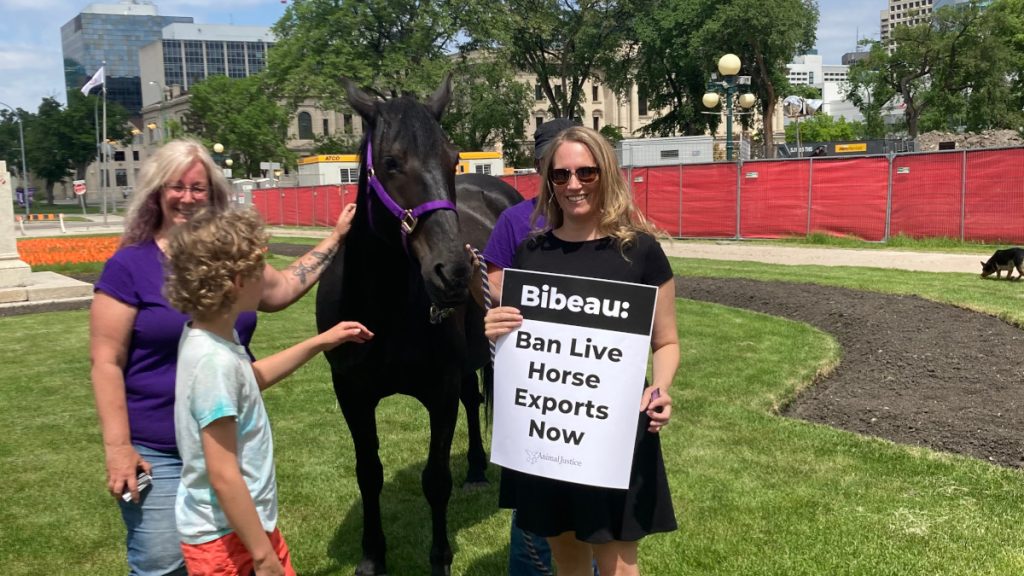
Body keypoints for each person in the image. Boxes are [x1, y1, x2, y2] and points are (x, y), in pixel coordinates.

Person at [89, 138, 356, 575]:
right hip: (158, 446)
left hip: (223, 441)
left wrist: (335, 239)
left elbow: (286, 286)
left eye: (200, 188)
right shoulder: (130, 267)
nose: (189, 198)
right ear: (156, 192)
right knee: (162, 562)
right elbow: (106, 362)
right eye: (178, 186)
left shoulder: (226, 262)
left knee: (215, 550)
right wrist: (118, 447)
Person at [484, 126, 678, 576]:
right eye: (561, 175)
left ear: (605, 174)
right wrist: (493, 326)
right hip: (548, 434)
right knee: (565, 559)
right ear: (548, 182)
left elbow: (666, 342)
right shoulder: (530, 256)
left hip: (616, 433)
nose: (574, 185)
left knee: (618, 567)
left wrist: (661, 388)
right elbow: (518, 342)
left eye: (586, 172)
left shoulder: (640, 253)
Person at [163, 208, 372, 575]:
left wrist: (322, 341)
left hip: (246, 529)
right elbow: (223, 472)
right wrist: (262, 556)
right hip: (228, 542)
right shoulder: (213, 362)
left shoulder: (211, 337)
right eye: (262, 265)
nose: (270, 275)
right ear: (237, 281)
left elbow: (251, 378)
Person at [482, 117, 577, 576]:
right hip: (533, 371)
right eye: (556, 167)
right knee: (534, 485)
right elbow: (495, 277)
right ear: (541, 165)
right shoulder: (516, 219)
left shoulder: (613, 222)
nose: (570, 179)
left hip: (588, 376)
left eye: (582, 168)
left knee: (589, 488)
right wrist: (530, 309)